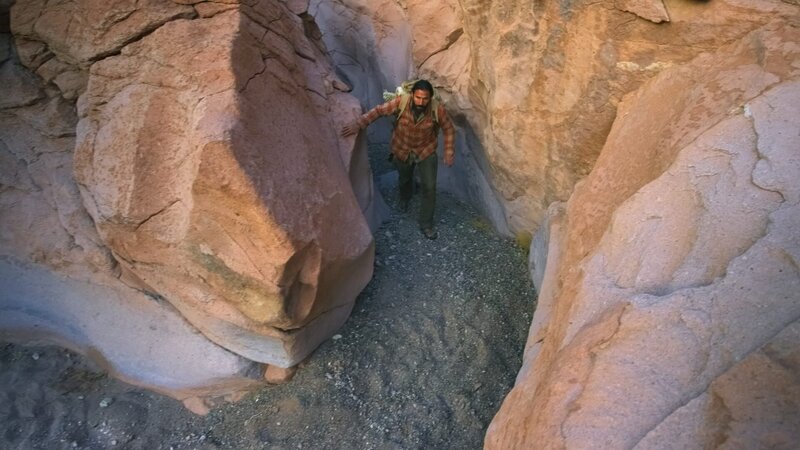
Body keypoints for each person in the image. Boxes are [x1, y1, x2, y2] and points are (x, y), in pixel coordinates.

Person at [341, 79, 455, 240]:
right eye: (418, 97)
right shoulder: (401, 102)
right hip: (402, 149)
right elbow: (379, 111)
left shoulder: (437, 110)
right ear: (413, 95)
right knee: (404, 179)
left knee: (429, 188)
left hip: (426, 150)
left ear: (430, 98)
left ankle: (426, 223)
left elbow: (449, 129)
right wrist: (358, 124)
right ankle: (405, 196)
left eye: (425, 99)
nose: (421, 102)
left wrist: (449, 150)